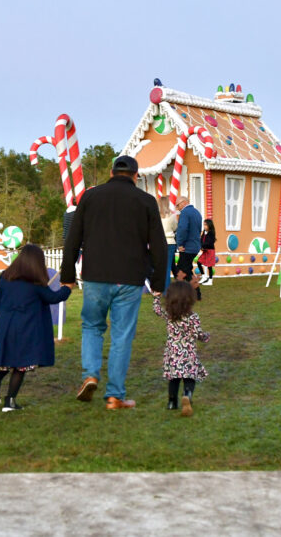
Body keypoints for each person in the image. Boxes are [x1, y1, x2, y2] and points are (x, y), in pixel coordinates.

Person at [61, 155, 167, 410]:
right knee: (121, 336)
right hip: (130, 279)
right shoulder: (146, 201)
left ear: (111, 172)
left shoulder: (90, 197)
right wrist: (158, 282)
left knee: (92, 327)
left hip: (95, 275)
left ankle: (90, 375)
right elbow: (159, 246)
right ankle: (115, 396)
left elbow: (73, 238)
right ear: (135, 175)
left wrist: (67, 276)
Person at [0, 244, 71, 412]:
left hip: (6, 327)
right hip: (25, 330)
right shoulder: (36, 284)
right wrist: (67, 288)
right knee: (21, 366)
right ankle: (10, 401)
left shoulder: (5, 279)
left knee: (7, 360)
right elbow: (54, 297)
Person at [153, 279, 209, 417]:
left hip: (172, 352)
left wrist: (156, 297)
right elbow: (198, 334)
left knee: (174, 378)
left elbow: (157, 310)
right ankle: (187, 394)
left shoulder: (169, 315)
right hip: (188, 353)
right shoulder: (192, 317)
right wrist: (205, 337)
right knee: (190, 376)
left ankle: (172, 402)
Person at [173, 196, 202, 299]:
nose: (177, 208)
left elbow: (182, 229)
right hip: (195, 246)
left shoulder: (185, 213)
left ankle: (179, 293)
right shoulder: (197, 212)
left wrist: (180, 244)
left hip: (186, 247)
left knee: (182, 270)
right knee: (185, 269)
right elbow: (198, 229)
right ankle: (193, 293)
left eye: (178, 205)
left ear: (184, 203)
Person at [159, 197, 178, 283]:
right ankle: (167, 290)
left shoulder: (156, 215)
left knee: (162, 267)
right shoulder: (172, 216)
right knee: (167, 268)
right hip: (170, 242)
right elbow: (175, 227)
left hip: (160, 242)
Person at [198, 219, 217, 284]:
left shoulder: (211, 233)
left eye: (206, 225)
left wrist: (203, 246)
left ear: (209, 225)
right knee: (199, 262)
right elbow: (201, 239)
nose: (204, 226)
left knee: (209, 266)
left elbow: (209, 243)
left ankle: (210, 280)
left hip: (210, 251)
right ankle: (204, 276)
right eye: (204, 225)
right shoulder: (204, 232)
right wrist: (201, 246)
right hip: (205, 251)